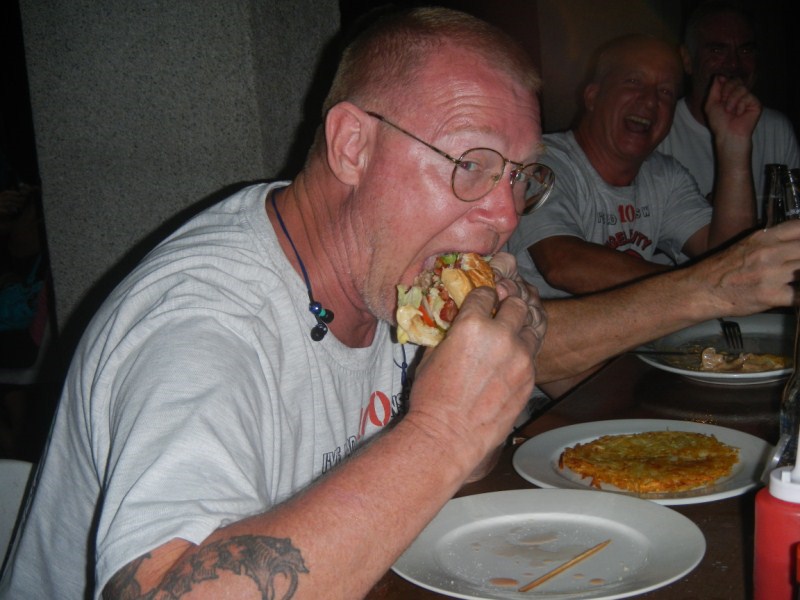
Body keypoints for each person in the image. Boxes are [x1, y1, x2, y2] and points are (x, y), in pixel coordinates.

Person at [3, 8, 800, 600]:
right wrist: (443, 432)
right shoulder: (203, 320)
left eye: (520, 177)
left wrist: (473, 409)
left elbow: (473, 446)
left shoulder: (394, 272)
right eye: (471, 164)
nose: (504, 215)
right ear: (353, 145)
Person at [507, 34, 761, 299]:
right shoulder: (541, 162)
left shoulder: (665, 177)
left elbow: (732, 256)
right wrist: (699, 282)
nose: (650, 101)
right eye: (633, 82)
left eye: (665, 92)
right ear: (593, 96)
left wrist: (734, 144)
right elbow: (563, 265)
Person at [658, 1, 800, 216]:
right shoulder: (662, 129)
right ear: (687, 60)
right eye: (717, 50)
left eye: (745, 50)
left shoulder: (776, 129)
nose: (734, 64)